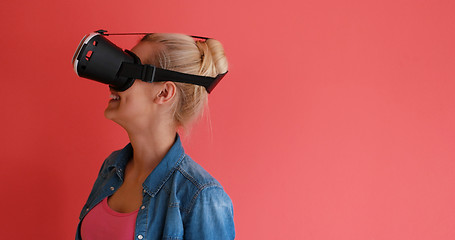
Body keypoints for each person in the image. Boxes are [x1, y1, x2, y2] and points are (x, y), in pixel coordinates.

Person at [75, 33, 235, 240]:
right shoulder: (112, 167)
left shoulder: (201, 196)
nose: (112, 82)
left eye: (127, 71)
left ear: (163, 93)